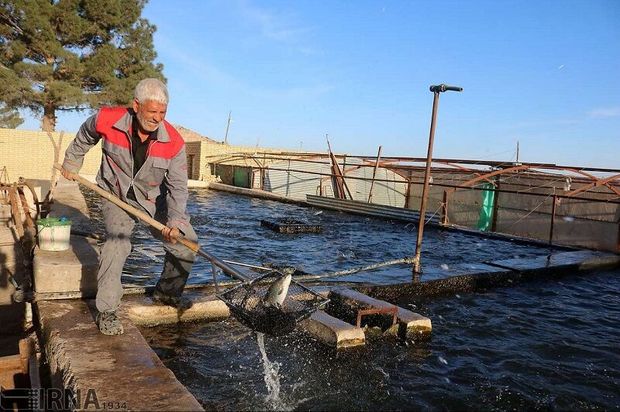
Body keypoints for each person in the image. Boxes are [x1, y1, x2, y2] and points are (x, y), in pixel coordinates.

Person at [61, 78, 197, 335]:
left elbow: (178, 188)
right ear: (136, 105)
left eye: (163, 113)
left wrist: (176, 221)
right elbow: (85, 135)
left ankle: (167, 294)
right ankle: (108, 310)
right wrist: (72, 161)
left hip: (153, 199)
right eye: (152, 112)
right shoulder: (106, 119)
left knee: (185, 242)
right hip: (115, 195)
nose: (157, 118)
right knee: (117, 243)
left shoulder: (175, 143)